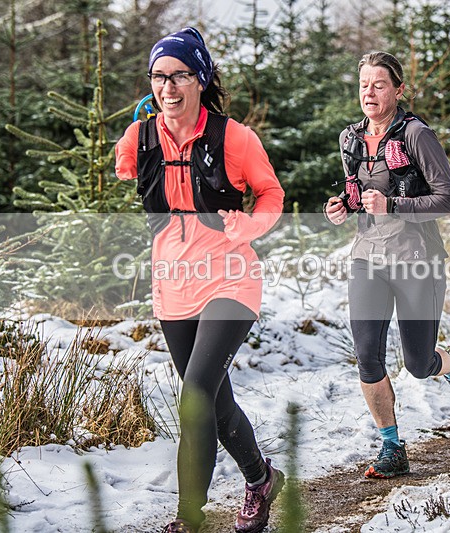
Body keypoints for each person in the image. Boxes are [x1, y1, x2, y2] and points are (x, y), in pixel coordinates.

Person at [115, 27, 285, 533]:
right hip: (174, 283)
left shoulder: (235, 138)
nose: (168, 87)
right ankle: (261, 479)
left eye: (180, 75)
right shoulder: (141, 135)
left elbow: (271, 195)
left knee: (194, 394)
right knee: (214, 399)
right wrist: (133, 146)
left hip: (230, 278)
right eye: (159, 76)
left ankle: (189, 516)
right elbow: (127, 168)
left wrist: (248, 226)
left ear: (201, 79)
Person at [324, 51, 450, 479]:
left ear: (398, 90)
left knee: (417, 362)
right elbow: (357, 194)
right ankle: (392, 446)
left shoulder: (417, 135)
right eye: (363, 85)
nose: (369, 93)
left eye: (379, 85)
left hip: (417, 261)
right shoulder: (350, 138)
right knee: (367, 357)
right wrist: (342, 207)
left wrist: (393, 204)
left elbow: (448, 199)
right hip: (367, 258)